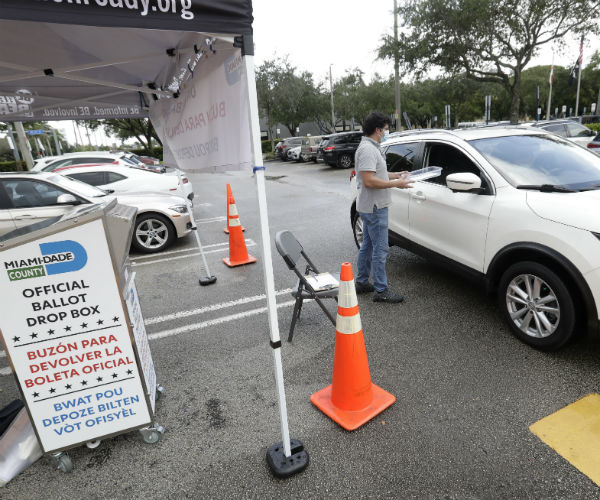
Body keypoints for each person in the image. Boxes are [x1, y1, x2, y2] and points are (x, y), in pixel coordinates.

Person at [354, 111, 413, 303]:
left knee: (369, 246)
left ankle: (362, 282)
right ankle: (381, 290)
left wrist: (396, 175)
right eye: (386, 129)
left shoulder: (372, 147)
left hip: (371, 205)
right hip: (375, 207)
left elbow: (377, 173)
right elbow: (370, 181)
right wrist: (398, 184)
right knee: (381, 248)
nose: (387, 132)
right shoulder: (367, 150)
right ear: (378, 130)